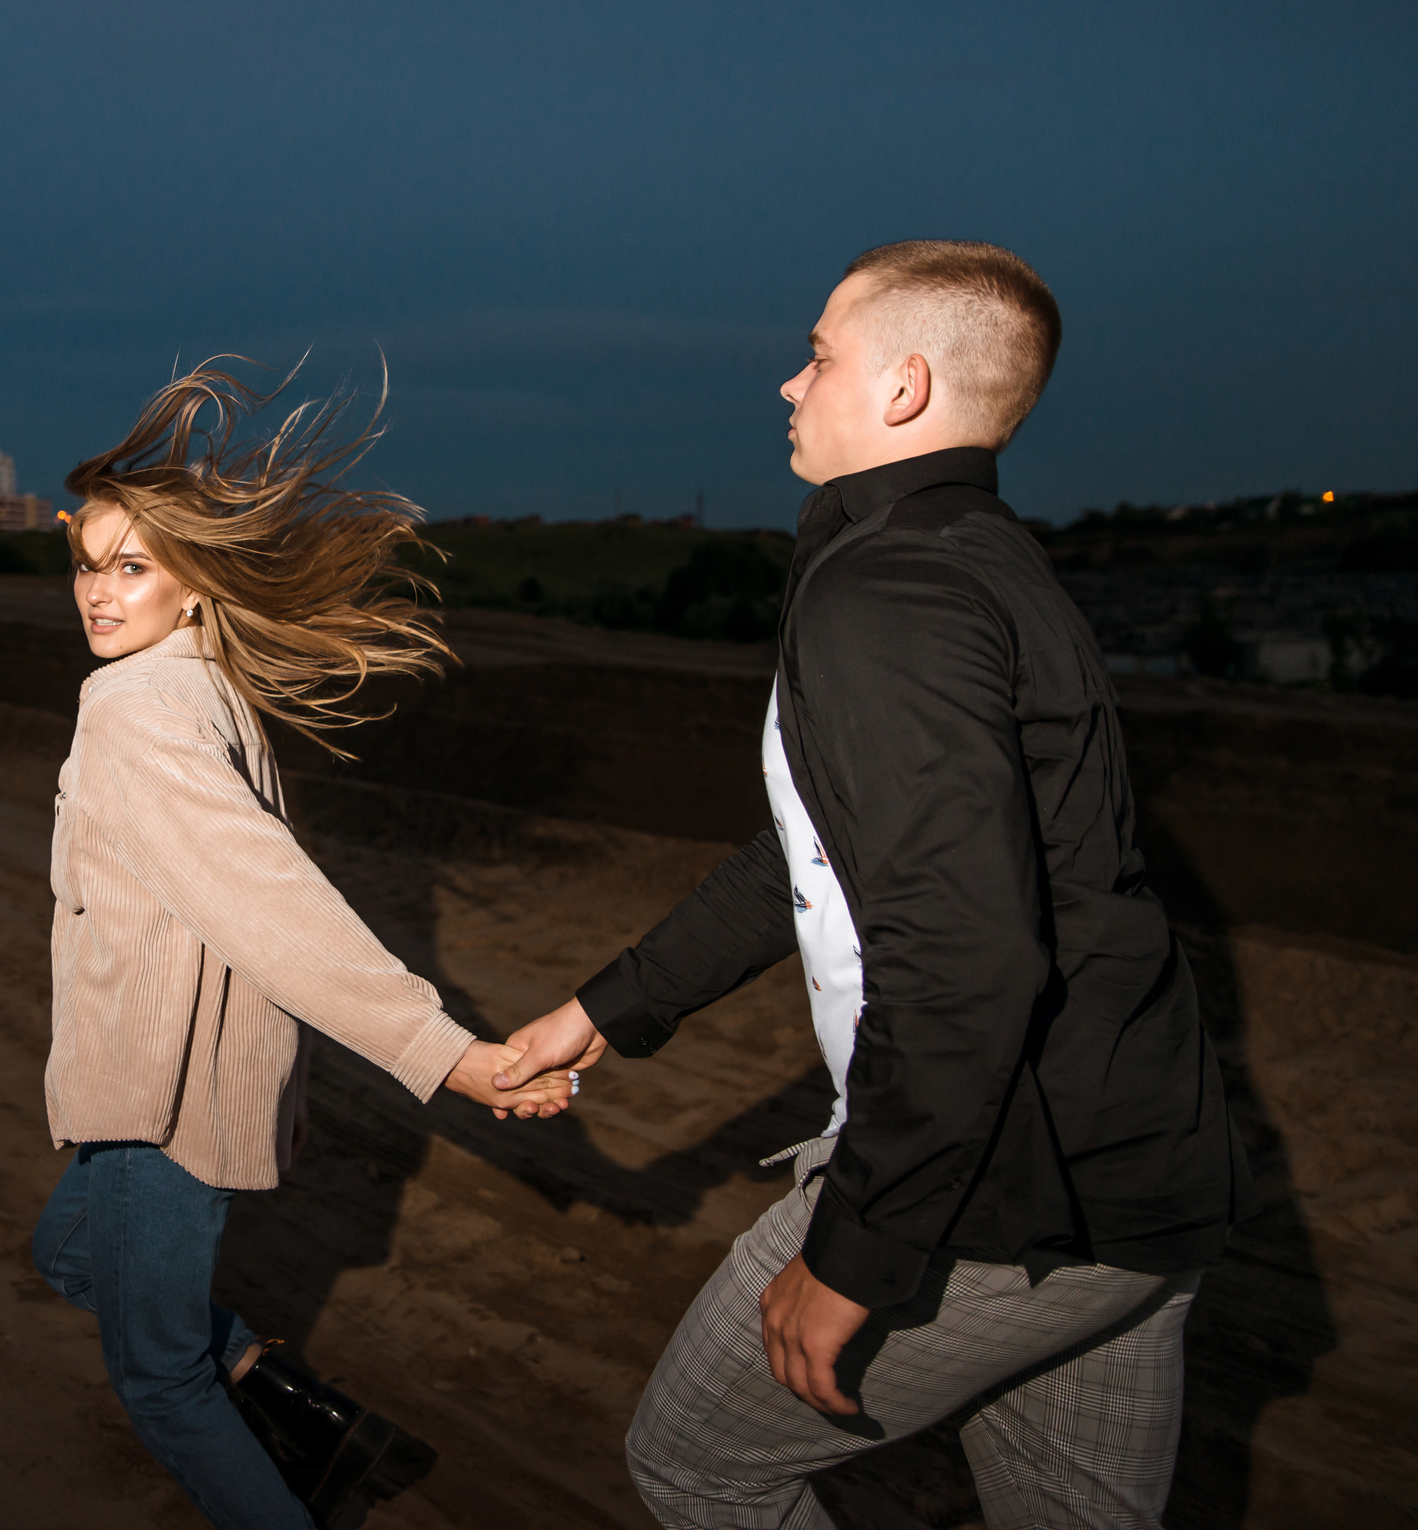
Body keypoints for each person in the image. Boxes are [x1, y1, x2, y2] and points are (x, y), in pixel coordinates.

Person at [493, 241, 1254, 1528]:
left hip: (1006, 1191)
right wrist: (600, 1011)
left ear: (903, 387)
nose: (786, 384)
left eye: (818, 355)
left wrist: (857, 1247)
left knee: (693, 1460)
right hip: (1137, 1184)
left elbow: (966, 959)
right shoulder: (979, 555)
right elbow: (810, 854)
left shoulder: (890, 588)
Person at [34, 365, 575, 1529]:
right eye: (86, 560)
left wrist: (449, 1053)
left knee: (159, 1375)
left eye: (130, 565)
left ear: (192, 582)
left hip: (157, 1095)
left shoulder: (133, 708)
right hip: (164, 1081)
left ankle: (294, 1461)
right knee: (69, 1255)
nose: (96, 589)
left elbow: (277, 905)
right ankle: (321, 1425)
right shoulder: (200, 683)